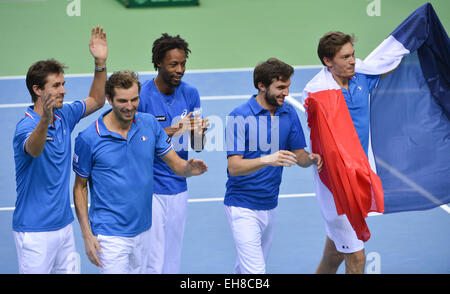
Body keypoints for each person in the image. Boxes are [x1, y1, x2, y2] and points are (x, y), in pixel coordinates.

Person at [72, 70, 208, 274]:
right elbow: (80, 187)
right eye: (122, 101)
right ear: (109, 99)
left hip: (144, 230)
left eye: (134, 99)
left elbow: (176, 164)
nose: (129, 107)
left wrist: (189, 169)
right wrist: (87, 235)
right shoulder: (89, 138)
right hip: (111, 235)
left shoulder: (149, 124)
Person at [12, 26, 108, 274]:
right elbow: (34, 149)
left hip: (64, 228)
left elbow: (97, 100)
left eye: (63, 84)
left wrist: (100, 63)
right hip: (34, 233)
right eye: (56, 86)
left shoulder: (65, 115)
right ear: (37, 90)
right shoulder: (26, 126)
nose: (63, 90)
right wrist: (46, 118)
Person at [224, 58, 323, 274]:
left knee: (245, 270)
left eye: (288, 87)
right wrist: (267, 159)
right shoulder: (239, 116)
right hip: (242, 206)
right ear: (261, 85)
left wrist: (313, 159)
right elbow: (234, 167)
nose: (286, 93)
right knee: (256, 273)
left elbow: (299, 156)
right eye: (280, 87)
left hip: (270, 206)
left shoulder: (288, 113)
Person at [303, 32, 382, 274]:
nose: (352, 61)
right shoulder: (316, 92)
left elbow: (389, 62)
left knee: (334, 255)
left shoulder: (362, 77)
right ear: (328, 61)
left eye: (353, 55)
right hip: (336, 186)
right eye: (345, 57)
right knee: (357, 259)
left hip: (359, 176)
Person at [138, 33, 208, 274]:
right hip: (150, 188)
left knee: (172, 259)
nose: (180, 69)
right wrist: (176, 128)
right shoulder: (142, 96)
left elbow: (197, 145)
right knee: (152, 259)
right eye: (173, 64)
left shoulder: (191, 93)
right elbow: (137, 142)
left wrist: (199, 131)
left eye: (183, 64)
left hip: (179, 187)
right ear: (158, 62)